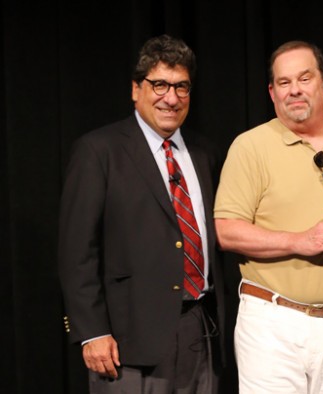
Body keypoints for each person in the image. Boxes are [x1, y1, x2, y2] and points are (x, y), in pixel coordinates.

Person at [213, 40, 323, 394]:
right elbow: (227, 232)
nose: (294, 89)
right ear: (272, 92)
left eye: (304, 78)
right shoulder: (251, 147)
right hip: (273, 322)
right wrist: (299, 241)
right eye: (284, 82)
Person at [58, 34, 225, 394]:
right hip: (126, 342)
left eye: (182, 87)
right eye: (160, 84)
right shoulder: (98, 151)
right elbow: (76, 252)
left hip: (201, 331)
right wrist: (92, 332)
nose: (172, 97)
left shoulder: (204, 153)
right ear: (136, 89)